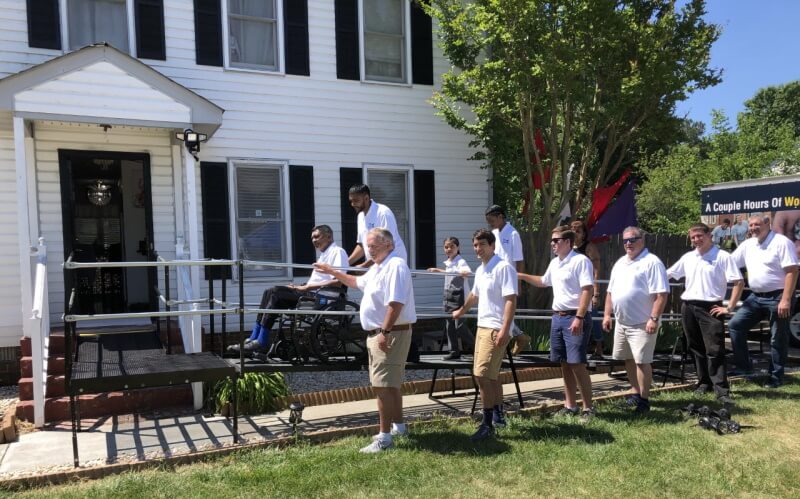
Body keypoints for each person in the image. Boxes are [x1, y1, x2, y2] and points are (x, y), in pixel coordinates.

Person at [315, 228, 416, 453]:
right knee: (390, 386)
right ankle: (399, 428)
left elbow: (396, 303)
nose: (369, 250)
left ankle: (384, 438)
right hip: (382, 333)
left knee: (381, 387)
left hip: (389, 333)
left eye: (374, 245)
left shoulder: (396, 265)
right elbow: (354, 282)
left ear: (389, 245)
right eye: (368, 246)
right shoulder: (377, 268)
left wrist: (385, 332)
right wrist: (330, 270)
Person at [229, 224, 348, 355]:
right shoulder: (324, 255)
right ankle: (254, 337)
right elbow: (317, 281)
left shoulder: (338, 252)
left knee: (276, 294)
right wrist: (299, 286)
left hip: (324, 298)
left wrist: (307, 287)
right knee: (269, 291)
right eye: (312, 238)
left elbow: (339, 281)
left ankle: (261, 341)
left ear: (329, 236)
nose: (314, 240)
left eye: (317, 236)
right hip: (312, 293)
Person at [519, 225, 596, 421]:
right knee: (564, 364)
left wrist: (579, 317)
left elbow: (588, 290)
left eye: (556, 240)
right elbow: (543, 281)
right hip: (558, 317)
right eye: (552, 240)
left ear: (568, 242)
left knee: (577, 363)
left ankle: (588, 409)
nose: (552, 244)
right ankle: (570, 406)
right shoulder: (555, 263)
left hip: (574, 317)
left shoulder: (581, 261)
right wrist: (521, 276)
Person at [666, 223, 742, 405]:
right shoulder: (688, 257)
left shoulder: (723, 256)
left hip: (711, 308)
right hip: (688, 306)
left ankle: (721, 390)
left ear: (709, 235)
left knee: (715, 350)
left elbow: (738, 281)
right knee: (695, 348)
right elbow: (668, 274)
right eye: (693, 237)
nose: (696, 240)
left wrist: (729, 307)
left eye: (699, 236)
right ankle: (704, 383)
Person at [452, 229, 517, 440]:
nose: (478, 249)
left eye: (482, 245)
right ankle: (498, 416)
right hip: (482, 327)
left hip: (495, 328)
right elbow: (474, 295)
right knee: (490, 376)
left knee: (481, 375)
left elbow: (510, 300)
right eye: (475, 245)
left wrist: (505, 330)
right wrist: (461, 311)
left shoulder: (503, 267)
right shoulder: (481, 269)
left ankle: (487, 424)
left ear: (492, 245)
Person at [727, 215, 798, 388]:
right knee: (735, 325)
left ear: (767, 224)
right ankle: (744, 367)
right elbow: (729, 263)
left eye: (757, 224)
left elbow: (792, 271)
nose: (753, 228)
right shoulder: (748, 244)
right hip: (756, 297)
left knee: (777, 338)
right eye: (750, 225)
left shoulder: (781, 242)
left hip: (779, 296)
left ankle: (776, 376)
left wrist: (786, 299)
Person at [602, 227, 668, 414]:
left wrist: (653, 318)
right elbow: (610, 292)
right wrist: (607, 315)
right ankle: (635, 393)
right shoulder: (621, 263)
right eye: (625, 241)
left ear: (642, 240)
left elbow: (661, 295)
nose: (628, 244)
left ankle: (644, 401)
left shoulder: (652, 262)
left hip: (643, 323)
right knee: (628, 360)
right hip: (622, 323)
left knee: (641, 361)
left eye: (633, 239)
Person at [485, 204, 530, 354]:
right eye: (488, 221)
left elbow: (519, 259)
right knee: (499, 312)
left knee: (504, 312)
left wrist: (519, 282)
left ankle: (513, 339)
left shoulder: (513, 234)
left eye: (492, 220)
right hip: (495, 277)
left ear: (500, 217)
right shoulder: (494, 233)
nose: (490, 223)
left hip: (509, 277)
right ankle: (519, 336)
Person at [427, 237, 475, 360]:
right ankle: (454, 351)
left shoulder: (460, 261)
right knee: (450, 326)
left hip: (460, 296)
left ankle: (476, 347)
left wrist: (464, 272)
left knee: (459, 326)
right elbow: (450, 272)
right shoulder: (449, 262)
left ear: (458, 248)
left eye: (452, 246)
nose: (449, 249)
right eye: (446, 247)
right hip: (449, 295)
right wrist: (437, 270)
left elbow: (466, 271)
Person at [347, 184, 408, 266]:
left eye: (356, 200)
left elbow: (388, 246)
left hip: (393, 264)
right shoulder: (360, 216)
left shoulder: (383, 213)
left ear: (366, 198)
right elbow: (362, 245)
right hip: (376, 264)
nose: (353, 204)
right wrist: (346, 263)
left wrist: (366, 265)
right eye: (351, 201)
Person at [571, 219, 605, 359]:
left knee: (593, 317)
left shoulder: (589, 247)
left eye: (578, 230)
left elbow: (596, 271)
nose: (574, 233)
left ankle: (599, 348)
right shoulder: (568, 247)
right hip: (573, 290)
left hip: (588, 289)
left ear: (584, 234)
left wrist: (596, 293)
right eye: (572, 229)